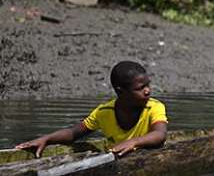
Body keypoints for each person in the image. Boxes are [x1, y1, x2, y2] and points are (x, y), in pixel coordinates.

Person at [15, 61, 167, 158]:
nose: (148, 91)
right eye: (140, 88)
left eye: (148, 85)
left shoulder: (154, 107)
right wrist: (46, 139)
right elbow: (73, 133)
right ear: (121, 91)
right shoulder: (104, 112)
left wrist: (133, 142)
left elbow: (159, 134)